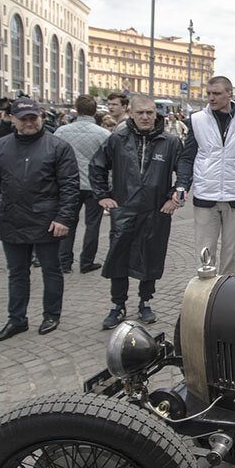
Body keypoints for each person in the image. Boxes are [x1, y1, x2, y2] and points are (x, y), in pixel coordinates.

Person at [0, 97, 79, 341]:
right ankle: (17, 319)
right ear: (12, 119)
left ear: (41, 117)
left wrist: (63, 218)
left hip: (48, 221)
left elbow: (69, 187)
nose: (29, 122)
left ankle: (52, 314)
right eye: (24, 119)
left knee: (51, 270)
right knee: (17, 273)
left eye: (33, 117)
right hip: (13, 219)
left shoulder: (58, 146)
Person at [91, 95, 183, 328]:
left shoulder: (170, 142)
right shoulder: (118, 139)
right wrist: (103, 196)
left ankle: (145, 302)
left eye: (149, 113)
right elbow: (97, 166)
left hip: (156, 210)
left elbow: (184, 173)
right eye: (140, 112)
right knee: (118, 258)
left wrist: (176, 198)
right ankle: (117, 305)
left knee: (151, 257)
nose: (145, 117)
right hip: (125, 210)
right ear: (131, 113)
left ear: (156, 114)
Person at [176, 76, 235, 276]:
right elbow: (187, 158)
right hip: (206, 195)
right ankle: (204, 298)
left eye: (217, 94)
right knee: (205, 253)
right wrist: (181, 186)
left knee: (231, 255)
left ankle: (225, 297)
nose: (211, 98)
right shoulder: (196, 120)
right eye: (209, 94)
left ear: (230, 94)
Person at [53, 94, 112, 274]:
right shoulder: (104, 134)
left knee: (67, 222)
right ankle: (87, 262)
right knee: (92, 225)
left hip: (68, 184)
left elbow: (53, 159)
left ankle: (64, 262)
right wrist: (108, 188)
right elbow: (109, 163)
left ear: (76, 110)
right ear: (95, 111)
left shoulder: (61, 132)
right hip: (94, 186)